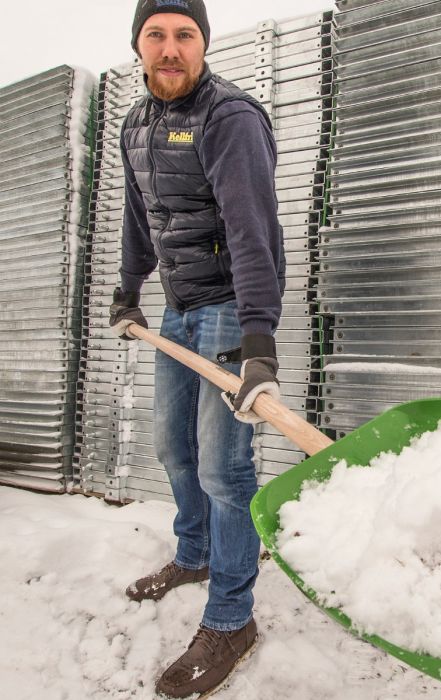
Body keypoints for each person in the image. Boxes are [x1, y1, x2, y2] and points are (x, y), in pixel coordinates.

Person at [108, 1, 285, 697]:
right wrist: (128, 290)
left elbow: (253, 231)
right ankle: (195, 554)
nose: (171, 47)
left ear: (203, 44)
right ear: (139, 46)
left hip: (225, 310)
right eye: (158, 35)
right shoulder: (135, 123)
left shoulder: (230, 117)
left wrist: (258, 340)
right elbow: (138, 216)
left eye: (186, 35)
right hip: (175, 312)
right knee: (172, 450)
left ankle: (232, 617)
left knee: (223, 468)